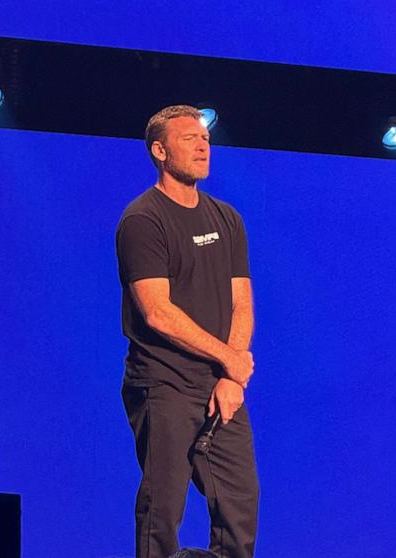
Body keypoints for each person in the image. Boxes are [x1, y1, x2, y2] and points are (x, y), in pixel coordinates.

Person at [116, 105, 260, 558]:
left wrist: (231, 373)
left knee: (240, 504)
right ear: (160, 151)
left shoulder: (227, 218)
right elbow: (158, 312)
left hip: (221, 386)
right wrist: (230, 358)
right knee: (163, 509)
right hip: (163, 384)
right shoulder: (143, 220)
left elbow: (241, 301)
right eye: (189, 139)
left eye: (205, 138)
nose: (202, 146)